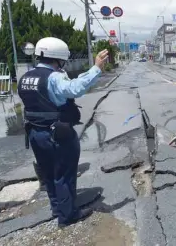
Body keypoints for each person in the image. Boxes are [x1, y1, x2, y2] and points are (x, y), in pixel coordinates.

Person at [18, 37, 108, 228]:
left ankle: (57, 208)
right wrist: (96, 69)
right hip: (57, 133)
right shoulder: (54, 77)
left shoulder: (26, 77)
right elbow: (74, 88)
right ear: (58, 57)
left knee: (49, 174)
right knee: (64, 174)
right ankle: (68, 216)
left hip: (35, 133)